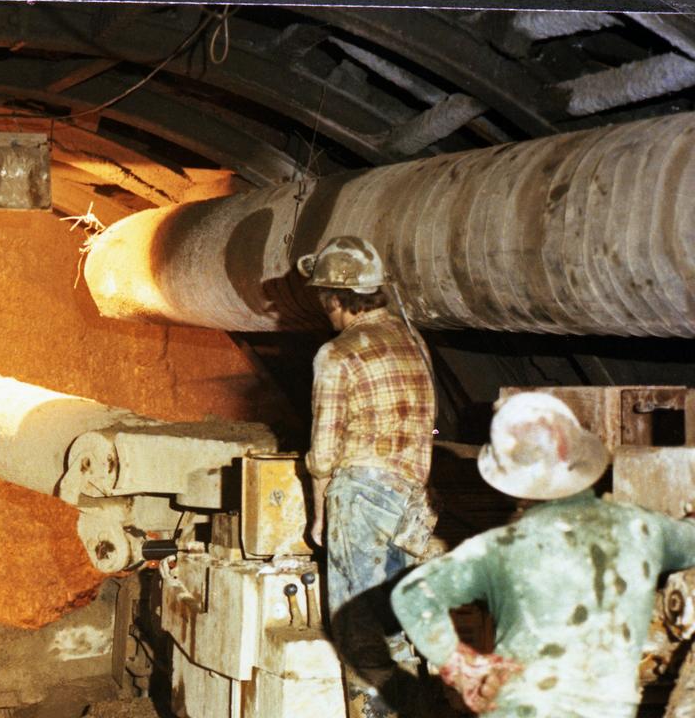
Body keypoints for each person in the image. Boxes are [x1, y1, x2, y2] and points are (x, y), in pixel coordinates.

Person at [390, 392, 695, 718]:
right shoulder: (643, 528)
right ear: (582, 459)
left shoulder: (501, 547)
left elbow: (412, 597)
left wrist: (468, 671)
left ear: (506, 483)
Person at [295, 235, 437, 717]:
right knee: (398, 622)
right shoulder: (414, 341)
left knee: (359, 632)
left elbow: (324, 452)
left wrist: (319, 518)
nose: (326, 310)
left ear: (335, 299)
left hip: (360, 496)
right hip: (411, 500)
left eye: (325, 301)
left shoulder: (336, 354)